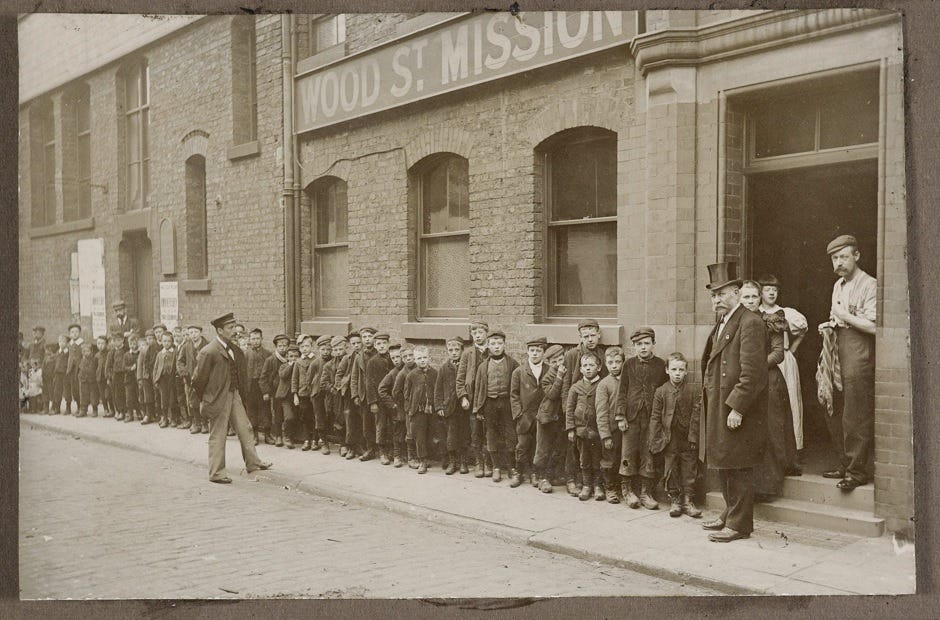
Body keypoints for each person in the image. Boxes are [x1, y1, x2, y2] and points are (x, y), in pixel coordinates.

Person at [700, 261, 768, 543]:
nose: (717, 299)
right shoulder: (724, 320)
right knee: (725, 461)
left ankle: (740, 525)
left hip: (735, 406)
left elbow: (753, 373)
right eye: (714, 294)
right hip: (719, 402)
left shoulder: (750, 323)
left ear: (738, 292)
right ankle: (730, 513)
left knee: (738, 464)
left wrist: (738, 407)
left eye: (722, 293)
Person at [818, 234, 877, 491]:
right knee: (833, 403)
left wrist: (843, 316)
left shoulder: (870, 284)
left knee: (856, 411)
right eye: (834, 258)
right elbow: (838, 317)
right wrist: (831, 324)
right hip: (837, 347)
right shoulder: (838, 285)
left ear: (857, 256)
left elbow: (875, 327)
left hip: (858, 350)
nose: (838, 263)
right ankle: (844, 462)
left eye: (843, 256)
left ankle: (857, 471)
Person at [191, 312, 272, 484]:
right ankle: (216, 473)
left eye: (234, 326)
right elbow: (198, 380)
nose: (234, 330)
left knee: (245, 428)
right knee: (218, 435)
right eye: (230, 328)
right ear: (220, 331)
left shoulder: (233, 348)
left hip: (233, 394)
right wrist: (207, 399)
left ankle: (253, 462)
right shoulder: (209, 351)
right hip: (218, 398)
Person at [740, 280, 796, 500]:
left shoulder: (771, 321)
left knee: (770, 429)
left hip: (769, 380)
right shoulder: (737, 323)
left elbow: (778, 353)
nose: (750, 301)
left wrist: (755, 368)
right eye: (746, 297)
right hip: (745, 382)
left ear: (760, 298)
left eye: (754, 297)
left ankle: (768, 485)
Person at [759, 274, 808, 467]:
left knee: (790, 404)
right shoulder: (755, 311)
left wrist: (792, 350)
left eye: (775, 289)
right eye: (768, 289)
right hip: (763, 360)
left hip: (784, 362)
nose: (772, 293)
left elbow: (803, 329)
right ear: (760, 292)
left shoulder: (785, 312)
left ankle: (793, 451)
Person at [618, 327, 668, 510]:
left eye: (647, 343)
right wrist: (620, 415)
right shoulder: (628, 365)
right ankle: (627, 490)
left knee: (648, 452)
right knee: (628, 452)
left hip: (652, 418)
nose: (643, 347)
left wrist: (661, 418)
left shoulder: (660, 365)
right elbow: (622, 391)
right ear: (634, 346)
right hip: (631, 417)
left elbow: (663, 392)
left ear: (653, 344)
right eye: (639, 344)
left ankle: (646, 492)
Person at [649, 352, 702, 518]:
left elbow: (696, 416)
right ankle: (675, 500)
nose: (677, 373)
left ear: (686, 371)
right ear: (667, 370)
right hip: (669, 437)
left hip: (687, 437)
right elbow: (655, 416)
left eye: (681, 369)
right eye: (674, 369)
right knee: (671, 467)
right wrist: (655, 438)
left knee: (689, 467)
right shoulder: (661, 391)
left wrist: (693, 437)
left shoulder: (694, 390)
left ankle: (688, 500)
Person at [562, 319, 608, 496]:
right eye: (586, 336)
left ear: (599, 335)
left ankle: (593, 484)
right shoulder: (572, 355)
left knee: (594, 452)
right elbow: (566, 386)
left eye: (593, 335)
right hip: (575, 409)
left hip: (595, 411)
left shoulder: (602, 355)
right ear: (580, 337)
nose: (590, 339)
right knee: (573, 450)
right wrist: (568, 413)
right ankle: (572, 480)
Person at [472, 330, 520, 483]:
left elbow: (517, 388)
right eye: (493, 344)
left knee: (510, 434)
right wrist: (478, 408)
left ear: (505, 345)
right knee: (491, 434)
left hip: (507, 403)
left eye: (499, 343)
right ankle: (496, 467)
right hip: (490, 403)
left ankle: (512, 467)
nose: (496, 347)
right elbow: (478, 388)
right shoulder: (483, 366)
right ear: (488, 346)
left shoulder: (513, 364)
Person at [509, 337, 548, 488]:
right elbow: (513, 395)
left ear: (543, 353)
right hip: (524, 416)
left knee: (539, 446)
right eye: (532, 350)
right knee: (522, 445)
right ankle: (518, 472)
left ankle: (534, 473)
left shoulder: (548, 370)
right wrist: (518, 413)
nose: (535, 354)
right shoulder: (519, 372)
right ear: (527, 351)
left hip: (541, 416)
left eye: (538, 351)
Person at [566, 351, 604, 501]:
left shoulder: (602, 384)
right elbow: (569, 409)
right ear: (581, 369)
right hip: (581, 431)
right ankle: (587, 485)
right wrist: (571, 428)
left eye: (591, 365)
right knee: (584, 459)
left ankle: (598, 486)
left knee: (597, 459)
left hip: (597, 431)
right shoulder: (575, 388)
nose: (588, 368)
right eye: (585, 366)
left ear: (599, 367)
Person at [457, 320, 492, 478]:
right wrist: (463, 396)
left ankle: (489, 462)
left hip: (490, 398)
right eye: (474, 333)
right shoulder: (467, 353)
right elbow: (460, 377)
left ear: (486, 333)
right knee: (475, 432)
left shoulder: (493, 351)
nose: (477, 336)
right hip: (472, 400)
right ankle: (479, 463)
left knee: (489, 432)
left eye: (480, 333)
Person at [533, 344, 567, 493]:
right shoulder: (547, 377)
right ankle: (542, 477)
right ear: (549, 363)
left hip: (559, 417)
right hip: (547, 417)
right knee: (544, 449)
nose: (559, 363)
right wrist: (559, 377)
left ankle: (552, 475)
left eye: (561, 359)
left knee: (558, 448)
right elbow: (552, 394)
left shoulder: (568, 371)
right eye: (554, 362)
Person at [595, 346, 624, 504]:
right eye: (611, 362)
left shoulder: (627, 381)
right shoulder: (604, 384)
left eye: (618, 362)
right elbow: (601, 412)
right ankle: (609, 488)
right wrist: (605, 435)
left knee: (622, 459)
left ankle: (621, 487)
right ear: (605, 364)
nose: (614, 365)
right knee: (609, 460)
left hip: (624, 430)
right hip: (610, 431)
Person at [403, 345, 437, 475]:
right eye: (419, 358)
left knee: (431, 434)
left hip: (431, 410)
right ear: (415, 360)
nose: (422, 360)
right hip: (417, 410)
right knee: (419, 436)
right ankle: (422, 461)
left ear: (429, 358)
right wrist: (410, 410)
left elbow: (437, 390)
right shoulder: (411, 375)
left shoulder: (434, 373)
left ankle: (430, 458)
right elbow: (406, 394)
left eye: (424, 357)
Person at [436, 336, 467, 475]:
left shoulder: (466, 366)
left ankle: (464, 462)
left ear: (462, 350)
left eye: (456, 350)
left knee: (465, 435)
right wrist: (439, 406)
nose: (454, 352)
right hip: (449, 408)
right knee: (451, 436)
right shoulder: (444, 368)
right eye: (451, 350)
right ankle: (453, 462)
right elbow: (438, 389)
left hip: (464, 407)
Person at [366, 333, 395, 464]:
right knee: (381, 425)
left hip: (392, 399)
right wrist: (372, 402)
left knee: (394, 424)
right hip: (379, 400)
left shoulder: (393, 358)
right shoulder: (372, 361)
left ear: (388, 344)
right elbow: (369, 383)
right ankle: (382, 451)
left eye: (384, 343)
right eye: (378, 344)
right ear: (375, 346)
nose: (382, 346)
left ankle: (393, 451)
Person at [351, 327, 379, 461]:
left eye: (370, 336)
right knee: (366, 424)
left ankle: (385, 450)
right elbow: (354, 377)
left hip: (378, 395)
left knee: (381, 423)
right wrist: (355, 394)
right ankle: (370, 449)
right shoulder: (359, 357)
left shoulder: (379, 354)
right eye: (364, 337)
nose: (367, 339)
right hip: (364, 395)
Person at [178, 325, 210, 434]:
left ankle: (205, 423)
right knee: (192, 402)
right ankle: (197, 423)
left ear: (200, 332)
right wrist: (185, 372)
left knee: (204, 401)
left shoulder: (208, 345)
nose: (193, 335)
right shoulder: (186, 346)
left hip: (204, 379)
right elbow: (180, 361)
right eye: (191, 333)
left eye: (195, 332)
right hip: (190, 379)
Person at [378, 343, 405, 466]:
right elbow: (382, 389)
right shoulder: (393, 373)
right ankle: (396, 455)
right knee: (397, 431)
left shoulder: (410, 370)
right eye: (393, 358)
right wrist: (393, 405)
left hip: (410, 406)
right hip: (398, 408)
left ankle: (410, 455)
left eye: (398, 357)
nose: (396, 360)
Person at [391, 345, 417, 468]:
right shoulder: (402, 374)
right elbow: (396, 392)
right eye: (405, 357)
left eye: (410, 355)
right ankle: (409, 457)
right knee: (408, 432)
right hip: (407, 408)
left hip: (419, 407)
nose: (408, 358)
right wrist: (403, 405)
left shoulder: (419, 368)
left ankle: (418, 456)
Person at [291, 334, 317, 451]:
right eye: (302, 347)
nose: (305, 349)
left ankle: (315, 440)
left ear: (311, 346)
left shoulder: (316, 360)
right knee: (305, 416)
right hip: (303, 394)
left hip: (315, 394)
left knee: (316, 416)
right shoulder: (298, 362)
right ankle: (307, 439)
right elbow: (294, 379)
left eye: (307, 346)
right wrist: (295, 395)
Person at [308, 335, 333, 453]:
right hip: (317, 394)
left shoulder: (334, 361)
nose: (326, 352)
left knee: (330, 415)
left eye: (328, 349)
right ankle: (324, 443)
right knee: (319, 417)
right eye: (323, 349)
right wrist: (312, 392)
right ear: (318, 349)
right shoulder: (315, 363)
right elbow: (309, 379)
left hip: (330, 393)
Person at [153, 332, 180, 428]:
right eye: (164, 341)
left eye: (169, 341)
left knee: (172, 400)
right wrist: (155, 380)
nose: (167, 343)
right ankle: (164, 418)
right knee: (163, 400)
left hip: (171, 379)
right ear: (161, 341)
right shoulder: (160, 354)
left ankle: (173, 418)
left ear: (172, 341)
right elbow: (156, 368)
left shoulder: (175, 352)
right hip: (162, 379)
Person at [278, 344, 301, 448]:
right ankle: (287, 437)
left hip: (297, 395)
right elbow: (283, 375)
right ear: (287, 357)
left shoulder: (301, 366)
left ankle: (293, 437)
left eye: (296, 356)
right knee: (289, 417)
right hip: (285, 396)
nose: (293, 358)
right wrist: (291, 365)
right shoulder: (283, 366)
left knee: (296, 416)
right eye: (291, 356)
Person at [137, 330, 156, 424]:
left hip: (155, 376)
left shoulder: (157, 349)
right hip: (146, 376)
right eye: (148, 339)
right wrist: (139, 378)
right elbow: (140, 364)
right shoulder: (144, 350)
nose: (150, 340)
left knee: (156, 395)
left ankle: (156, 414)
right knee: (147, 396)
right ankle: (148, 414)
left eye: (152, 338)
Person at [64, 323, 84, 415]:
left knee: (78, 388)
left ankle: (81, 407)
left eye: (76, 332)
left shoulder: (82, 343)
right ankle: (71, 407)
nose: (74, 334)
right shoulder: (69, 344)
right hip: (70, 369)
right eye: (72, 332)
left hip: (78, 368)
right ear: (70, 334)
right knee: (71, 388)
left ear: (79, 333)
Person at [107, 333, 126, 421]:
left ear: (122, 340)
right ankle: (118, 410)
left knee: (123, 393)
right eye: (114, 341)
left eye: (118, 340)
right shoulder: (112, 352)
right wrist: (109, 376)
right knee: (116, 394)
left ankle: (124, 411)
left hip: (124, 374)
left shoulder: (126, 350)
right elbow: (109, 365)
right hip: (115, 375)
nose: (116, 343)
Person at [77, 341, 98, 418]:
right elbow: (79, 369)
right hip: (83, 380)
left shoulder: (94, 359)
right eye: (84, 351)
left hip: (92, 380)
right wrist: (79, 376)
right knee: (83, 395)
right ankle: (83, 410)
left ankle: (95, 409)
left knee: (93, 395)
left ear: (91, 351)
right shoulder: (82, 360)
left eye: (88, 351)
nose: (86, 353)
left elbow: (96, 369)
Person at [123, 337, 140, 423]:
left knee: (138, 396)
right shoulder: (126, 355)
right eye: (131, 344)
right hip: (129, 380)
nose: (133, 346)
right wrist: (130, 368)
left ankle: (139, 412)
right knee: (129, 397)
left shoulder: (140, 353)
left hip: (137, 379)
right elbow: (124, 367)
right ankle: (130, 414)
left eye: (134, 344)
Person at [94, 335, 111, 417]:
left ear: (106, 344)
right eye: (98, 343)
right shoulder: (97, 355)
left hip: (106, 377)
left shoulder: (109, 353)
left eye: (102, 343)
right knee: (102, 395)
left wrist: (109, 376)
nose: (100, 345)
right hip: (99, 378)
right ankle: (105, 409)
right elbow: (95, 366)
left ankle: (112, 409)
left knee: (108, 394)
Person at [42, 342, 58, 414]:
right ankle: (46, 408)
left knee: (52, 393)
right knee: (45, 393)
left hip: (51, 379)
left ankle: (53, 408)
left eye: (47, 350)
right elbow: (43, 367)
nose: (46, 351)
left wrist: (54, 377)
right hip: (45, 378)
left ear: (51, 350)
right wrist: (42, 375)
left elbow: (55, 369)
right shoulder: (45, 358)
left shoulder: (55, 358)